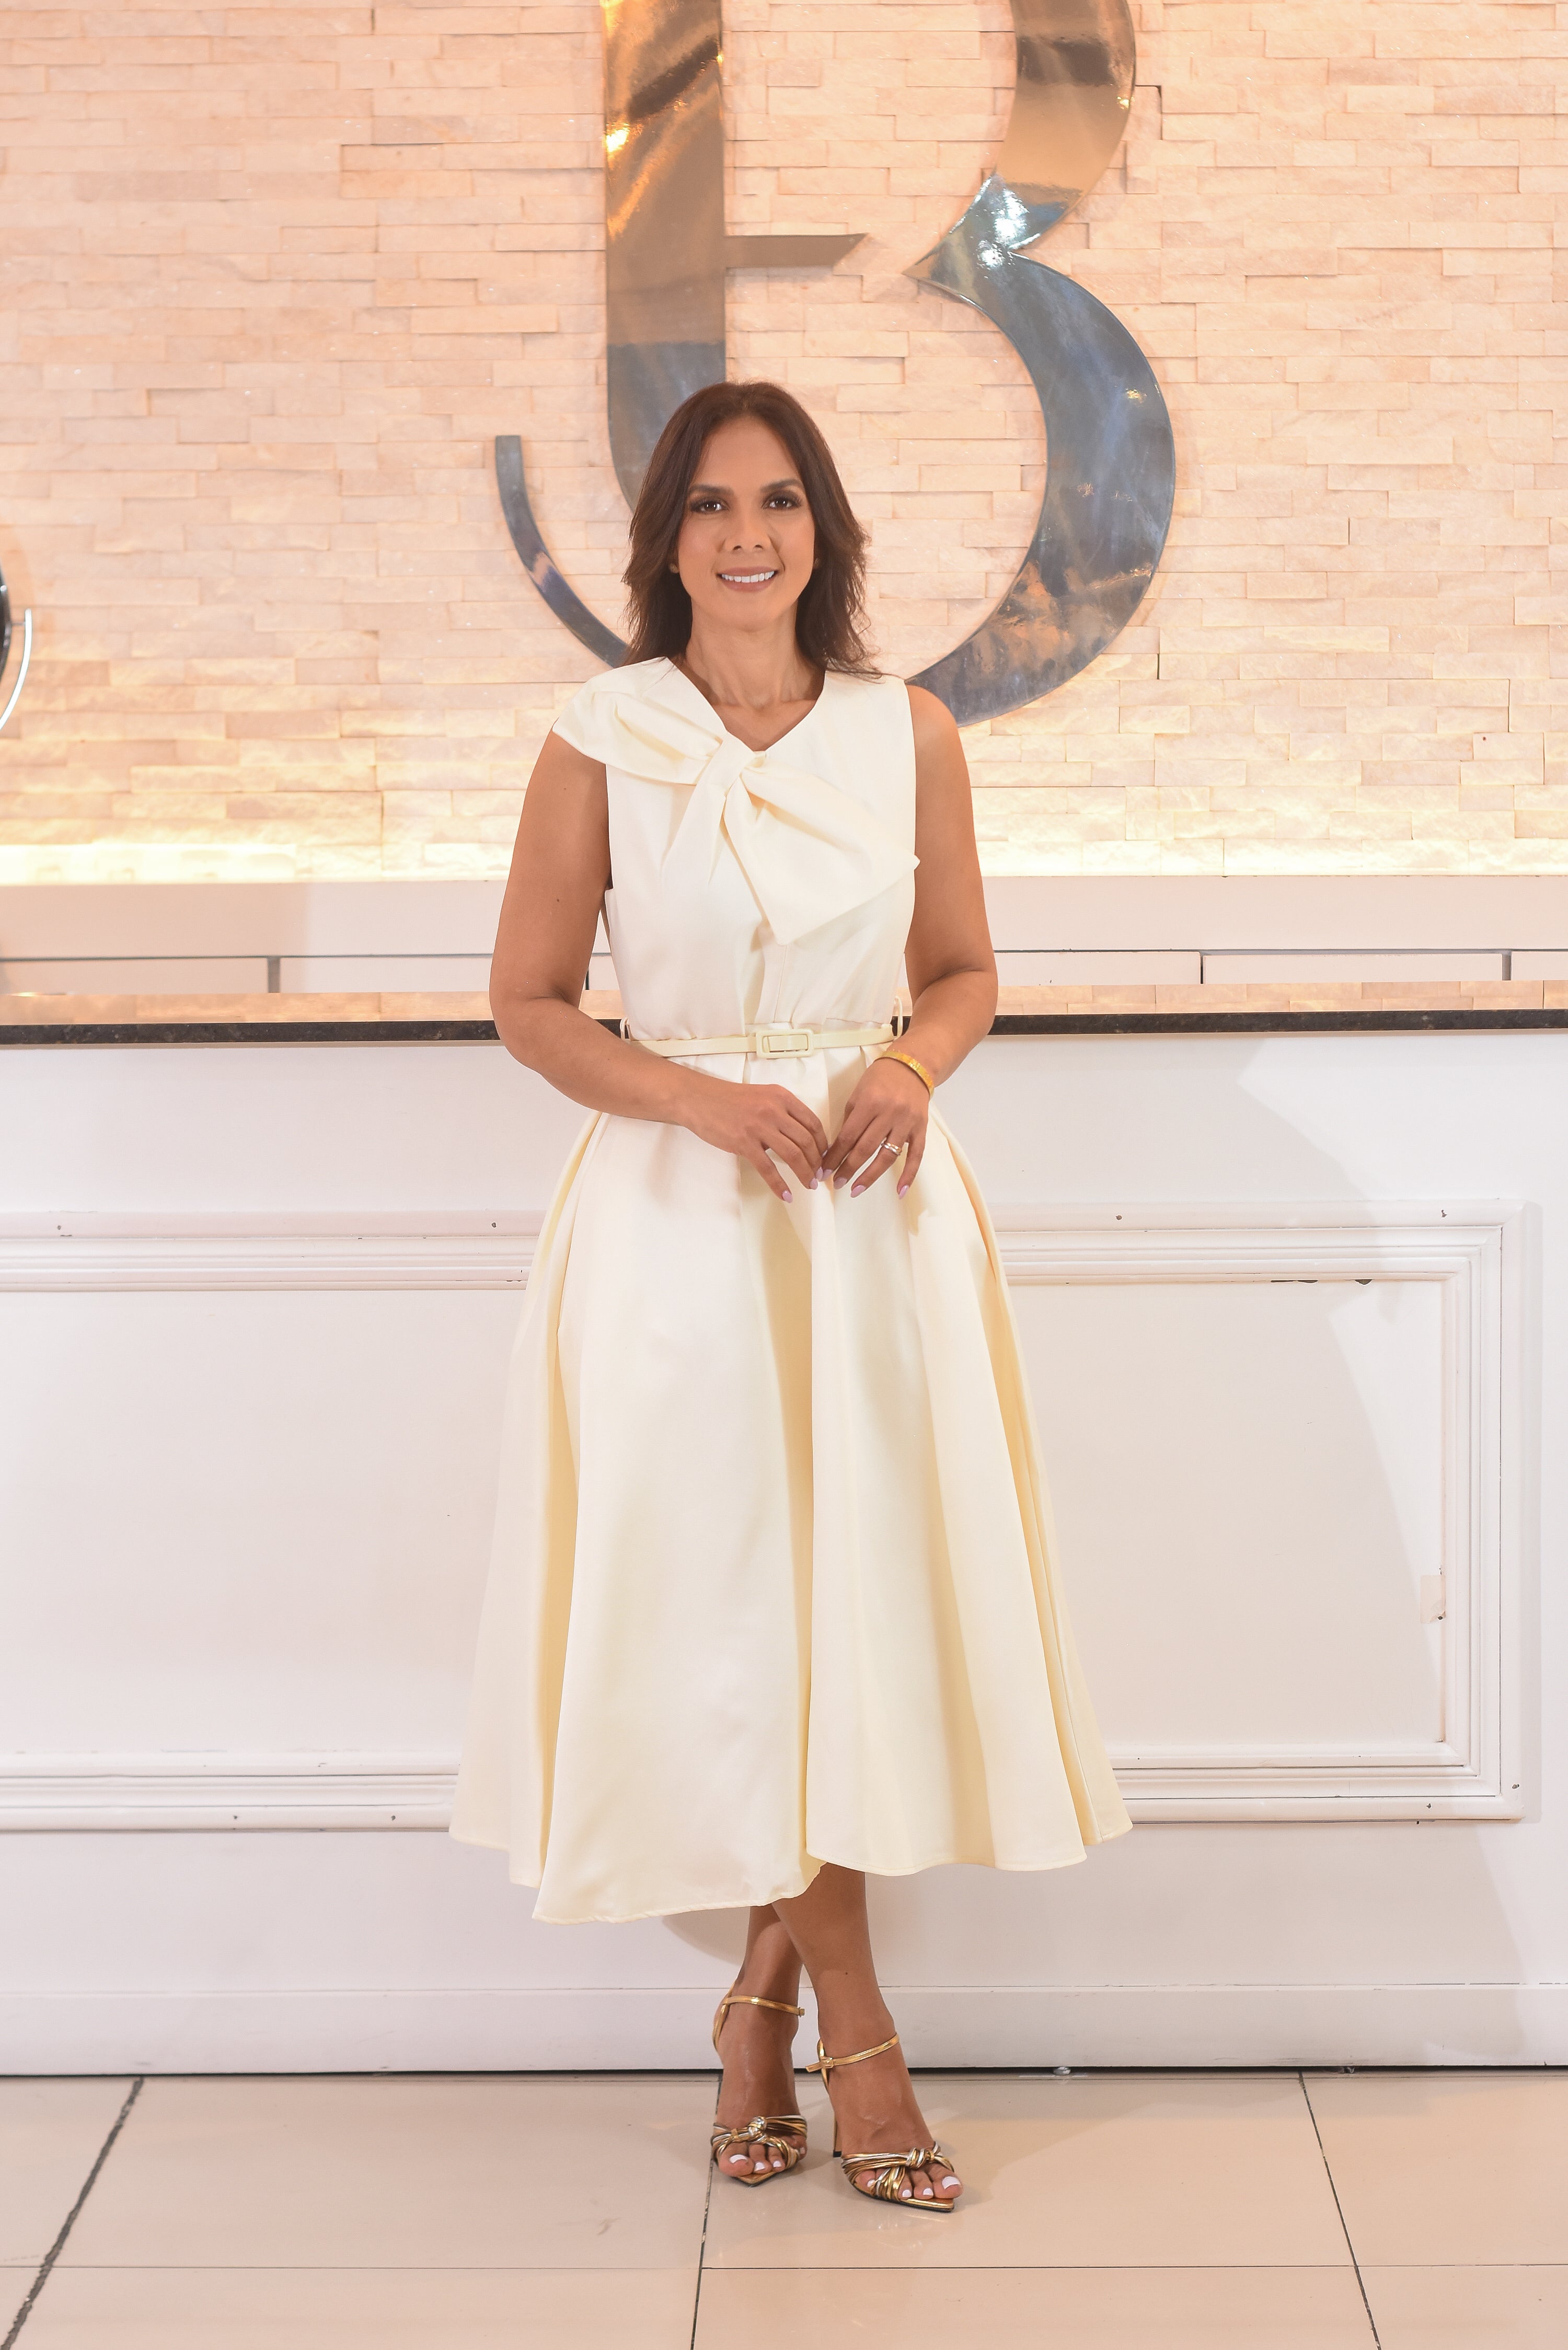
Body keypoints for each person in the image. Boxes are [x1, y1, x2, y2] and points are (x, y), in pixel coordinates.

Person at [451, 379, 1130, 2211]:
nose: (746, 535)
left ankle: (760, 2007)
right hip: (678, 1230)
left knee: (851, 1612)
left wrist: (907, 1069)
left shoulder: (910, 735)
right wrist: (698, 1098)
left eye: (778, 502)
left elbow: (965, 970)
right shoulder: (599, 740)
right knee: (734, 1616)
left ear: (822, 530)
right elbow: (528, 1004)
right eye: (710, 504)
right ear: (665, 540)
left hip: (873, 1224)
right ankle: (861, 2031)